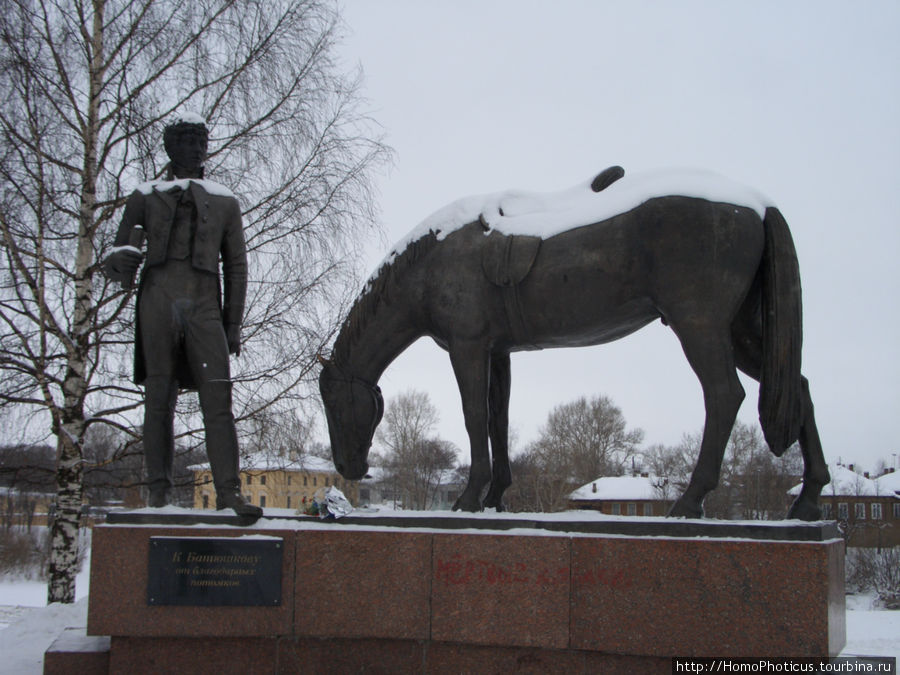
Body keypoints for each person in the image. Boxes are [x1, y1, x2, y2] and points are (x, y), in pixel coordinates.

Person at [105, 112, 261, 517]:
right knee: (159, 398)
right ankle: (158, 493)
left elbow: (238, 266)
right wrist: (120, 260)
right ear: (170, 147)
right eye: (187, 141)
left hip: (204, 302)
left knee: (218, 397)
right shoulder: (144, 195)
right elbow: (117, 255)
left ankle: (229, 494)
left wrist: (233, 324)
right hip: (157, 299)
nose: (196, 149)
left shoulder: (224, 200)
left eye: (200, 141)